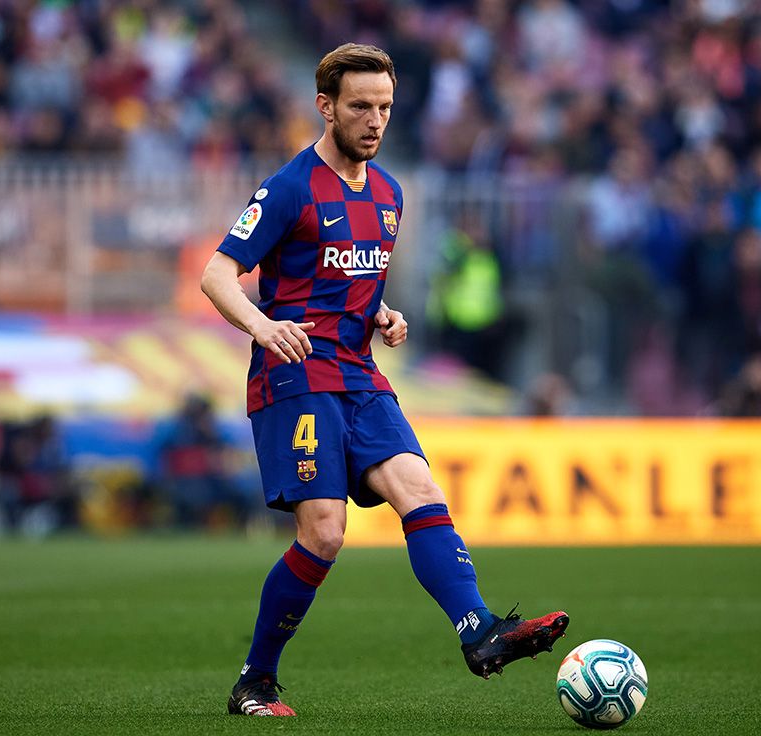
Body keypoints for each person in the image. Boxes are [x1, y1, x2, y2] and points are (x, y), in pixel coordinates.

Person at [200, 43, 569, 718]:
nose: (374, 120)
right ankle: (256, 678)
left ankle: (479, 630)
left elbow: (353, 287)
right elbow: (217, 274)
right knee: (325, 534)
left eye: (385, 107)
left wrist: (384, 315)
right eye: (360, 106)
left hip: (360, 376)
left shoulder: (392, 196)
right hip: (296, 377)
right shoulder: (289, 188)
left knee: (419, 487)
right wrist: (261, 326)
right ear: (326, 107)